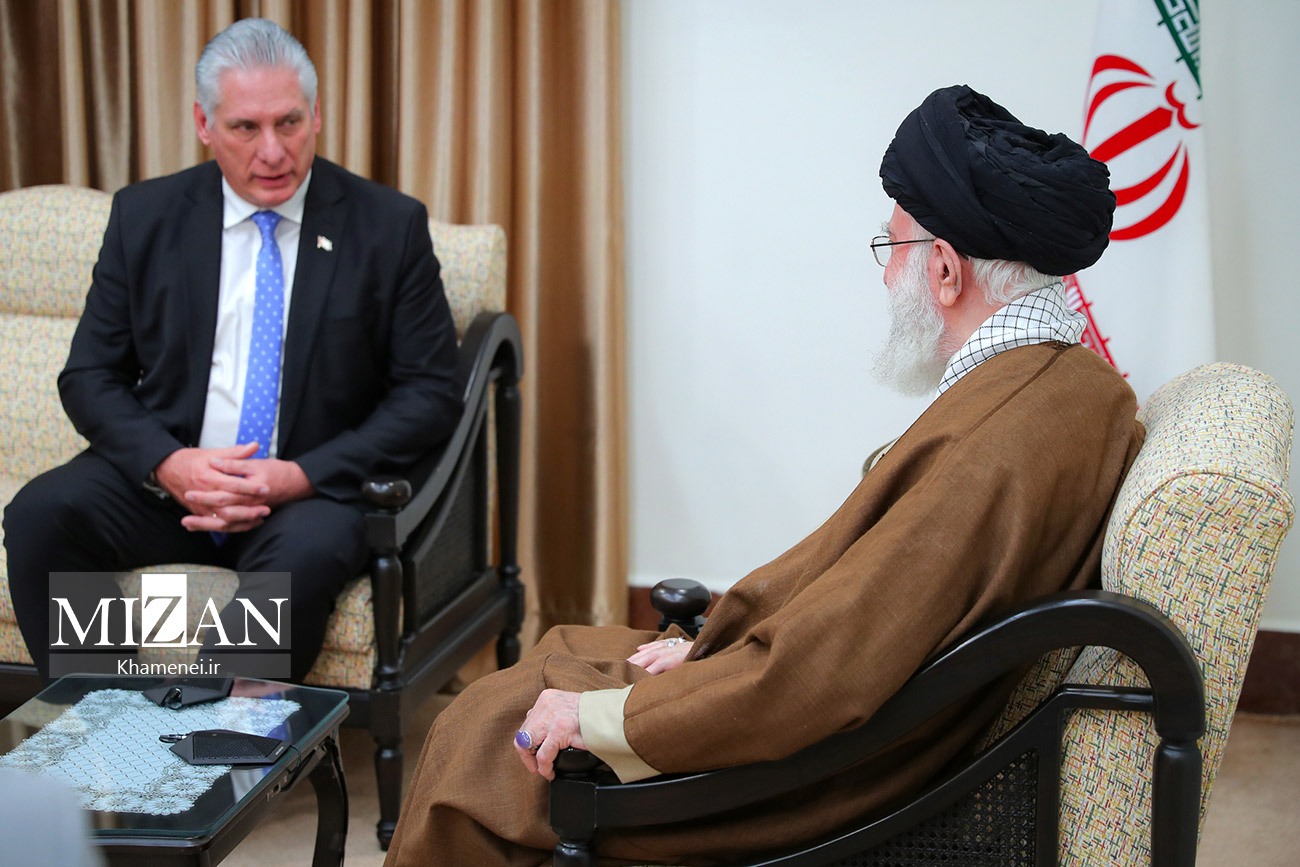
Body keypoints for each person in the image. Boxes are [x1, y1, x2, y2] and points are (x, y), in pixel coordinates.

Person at [384, 84, 1142, 866]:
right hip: (842, 737)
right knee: (564, 648)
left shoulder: (1000, 439)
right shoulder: (1066, 385)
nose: (887, 277)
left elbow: (825, 670)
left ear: (946, 270)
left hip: (818, 785)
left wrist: (606, 720)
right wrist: (713, 646)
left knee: (476, 742)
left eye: (892, 248)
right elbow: (869, 611)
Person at [3, 18, 461, 682]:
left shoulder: (388, 227)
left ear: (316, 116)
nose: (272, 151)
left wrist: (299, 475)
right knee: (41, 515)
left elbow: (431, 392)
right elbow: (89, 375)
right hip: (172, 485)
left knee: (300, 561)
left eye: (289, 123)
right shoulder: (146, 216)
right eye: (246, 127)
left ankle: (216, 735)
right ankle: (113, 717)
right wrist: (169, 463)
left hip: (305, 497)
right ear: (204, 124)